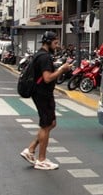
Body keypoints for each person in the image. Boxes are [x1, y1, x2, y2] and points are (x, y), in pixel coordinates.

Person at [19, 31, 73, 171]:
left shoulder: (40, 55)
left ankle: (30, 150)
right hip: (42, 94)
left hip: (42, 93)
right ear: (48, 42)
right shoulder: (44, 58)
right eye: (55, 43)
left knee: (51, 123)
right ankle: (41, 160)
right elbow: (48, 78)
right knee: (46, 125)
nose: (57, 46)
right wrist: (62, 69)